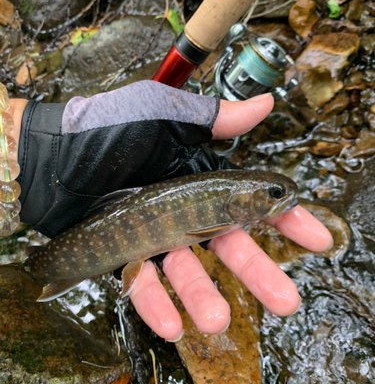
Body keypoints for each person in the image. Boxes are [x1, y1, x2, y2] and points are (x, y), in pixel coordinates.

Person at [9, 80, 332, 342]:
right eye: (274, 194)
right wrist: (37, 149)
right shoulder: (221, 205)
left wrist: (30, 148)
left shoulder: (226, 202)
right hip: (52, 259)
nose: (280, 197)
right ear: (240, 202)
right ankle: (25, 276)